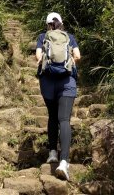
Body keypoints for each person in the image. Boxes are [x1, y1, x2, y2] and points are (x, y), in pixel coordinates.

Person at [35, 12, 81, 181]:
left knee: (52, 116)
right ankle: (64, 162)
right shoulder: (69, 37)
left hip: (47, 82)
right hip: (67, 81)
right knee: (64, 120)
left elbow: (38, 56)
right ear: (61, 23)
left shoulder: (42, 36)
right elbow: (77, 56)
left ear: (48, 24)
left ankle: (52, 153)